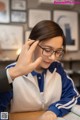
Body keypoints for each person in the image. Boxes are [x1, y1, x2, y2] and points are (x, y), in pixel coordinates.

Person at [0, 20, 80, 120]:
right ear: (31, 44)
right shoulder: (11, 73)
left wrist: (53, 111)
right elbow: (1, 112)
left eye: (58, 51)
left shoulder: (57, 69)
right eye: (47, 50)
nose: (53, 57)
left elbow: (74, 97)